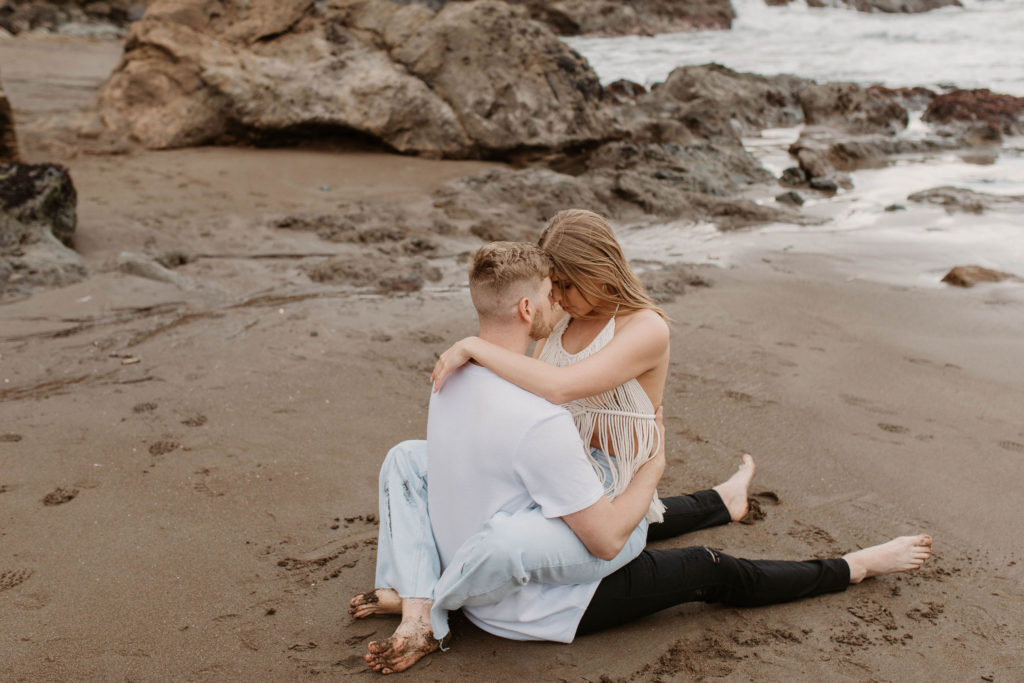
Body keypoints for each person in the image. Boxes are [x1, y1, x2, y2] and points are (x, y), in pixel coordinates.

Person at [354, 241, 933, 675]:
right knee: (706, 567)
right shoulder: (541, 419)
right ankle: (853, 566)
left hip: (511, 546)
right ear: (529, 308)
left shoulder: (453, 377)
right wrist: (651, 468)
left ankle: (720, 501)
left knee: (586, 501)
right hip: (542, 607)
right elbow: (604, 540)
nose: (562, 302)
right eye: (553, 294)